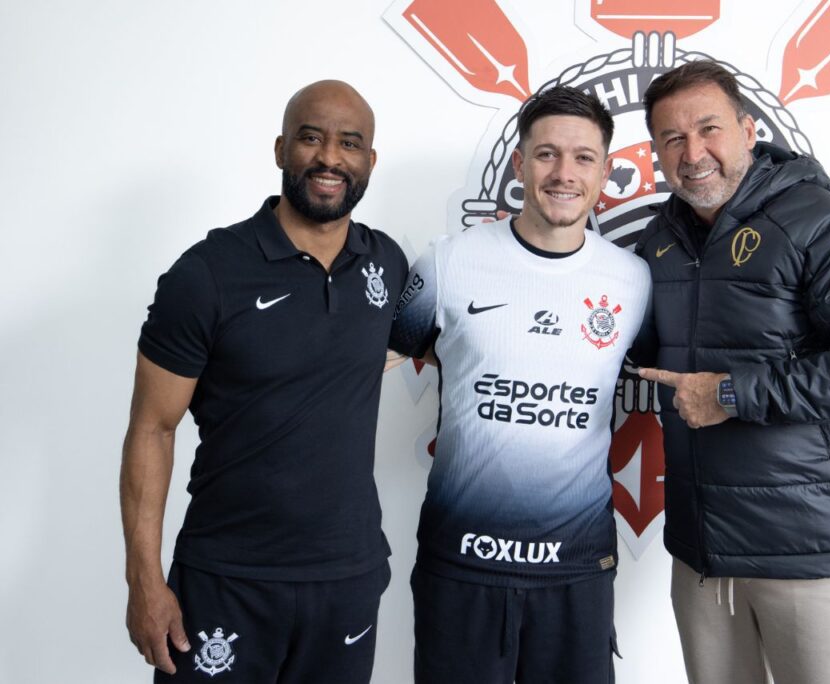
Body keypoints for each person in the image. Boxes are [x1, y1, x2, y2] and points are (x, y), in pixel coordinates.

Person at [631, 60, 830, 684]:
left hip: (809, 551)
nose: (693, 152)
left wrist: (733, 394)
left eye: (709, 128)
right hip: (703, 553)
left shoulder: (822, 224)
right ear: (655, 152)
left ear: (749, 128)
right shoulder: (660, 240)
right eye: (672, 139)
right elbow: (623, 344)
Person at [119, 80, 407, 683]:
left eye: (350, 143)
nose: (330, 158)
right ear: (280, 149)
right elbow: (153, 428)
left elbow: (417, 342)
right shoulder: (207, 274)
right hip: (227, 581)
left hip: (347, 578)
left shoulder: (386, 263)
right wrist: (144, 580)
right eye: (311, 138)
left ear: (370, 161)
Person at [389, 85, 652, 684]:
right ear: (518, 163)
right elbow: (369, 359)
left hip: (577, 567)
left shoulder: (633, 281)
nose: (564, 173)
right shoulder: (448, 262)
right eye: (546, 154)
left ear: (606, 171)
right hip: (462, 562)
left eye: (584, 157)